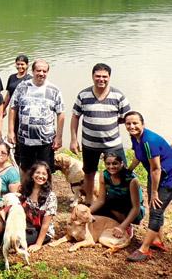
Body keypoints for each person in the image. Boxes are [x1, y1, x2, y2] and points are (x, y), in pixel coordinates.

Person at [70, 63, 131, 205]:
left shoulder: (118, 95)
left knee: (120, 172)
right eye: (98, 76)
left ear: (109, 77)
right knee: (89, 172)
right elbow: (75, 117)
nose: (101, 79)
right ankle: (90, 201)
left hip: (112, 143)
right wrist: (73, 139)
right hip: (89, 144)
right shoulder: (83, 95)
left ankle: (121, 202)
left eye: (104, 76)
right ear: (92, 76)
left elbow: (128, 118)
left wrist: (109, 122)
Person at [124, 111, 172, 262]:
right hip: (156, 175)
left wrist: (155, 192)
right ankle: (157, 240)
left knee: (156, 211)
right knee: (156, 208)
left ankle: (144, 249)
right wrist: (128, 170)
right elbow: (138, 156)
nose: (132, 126)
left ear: (143, 124)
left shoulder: (148, 141)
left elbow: (156, 168)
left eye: (135, 123)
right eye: (128, 123)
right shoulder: (135, 137)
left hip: (167, 177)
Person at [8, 59, 65, 172]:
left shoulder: (54, 90)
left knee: (45, 170)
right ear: (33, 71)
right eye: (38, 70)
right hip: (25, 138)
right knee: (25, 169)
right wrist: (10, 131)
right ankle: (25, 190)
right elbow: (13, 108)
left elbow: (61, 113)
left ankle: (46, 190)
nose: (41, 74)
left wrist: (59, 136)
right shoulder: (22, 87)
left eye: (44, 71)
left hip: (45, 139)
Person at [90, 152, 144, 239]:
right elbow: (100, 200)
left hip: (132, 209)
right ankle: (113, 223)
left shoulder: (131, 180)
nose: (111, 167)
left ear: (122, 163)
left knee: (113, 200)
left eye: (115, 163)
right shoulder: (104, 175)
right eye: (108, 164)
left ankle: (126, 225)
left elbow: (136, 208)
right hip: (114, 204)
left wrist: (122, 227)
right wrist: (86, 212)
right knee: (93, 213)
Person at [20, 162, 57, 252]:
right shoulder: (24, 190)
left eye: (44, 174)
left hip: (42, 231)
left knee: (17, 242)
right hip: (26, 227)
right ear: (32, 174)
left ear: (48, 177)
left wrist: (38, 244)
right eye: (37, 173)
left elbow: (45, 225)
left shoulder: (51, 196)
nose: (41, 176)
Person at [0, 141, 20, 207]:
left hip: (1, 204)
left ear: (8, 155)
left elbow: (14, 196)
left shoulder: (12, 173)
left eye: (3, 153)